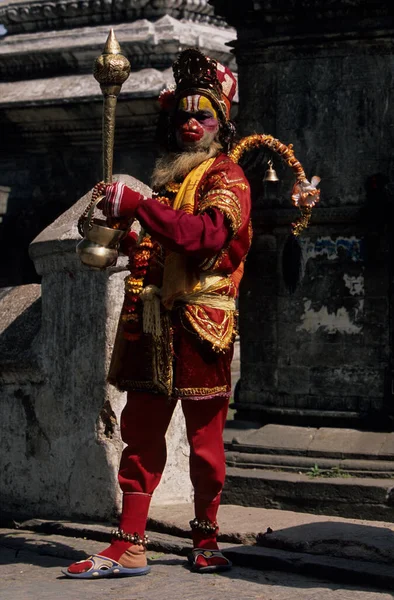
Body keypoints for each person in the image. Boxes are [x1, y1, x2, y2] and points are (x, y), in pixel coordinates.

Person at [64, 47, 252, 579]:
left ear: (220, 125)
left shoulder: (227, 177)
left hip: (200, 328)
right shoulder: (171, 185)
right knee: (140, 432)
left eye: (203, 115)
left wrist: (138, 207)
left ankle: (207, 537)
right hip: (150, 322)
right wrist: (120, 234)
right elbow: (159, 244)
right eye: (184, 115)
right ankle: (129, 543)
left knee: (205, 441)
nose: (191, 123)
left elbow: (208, 237)